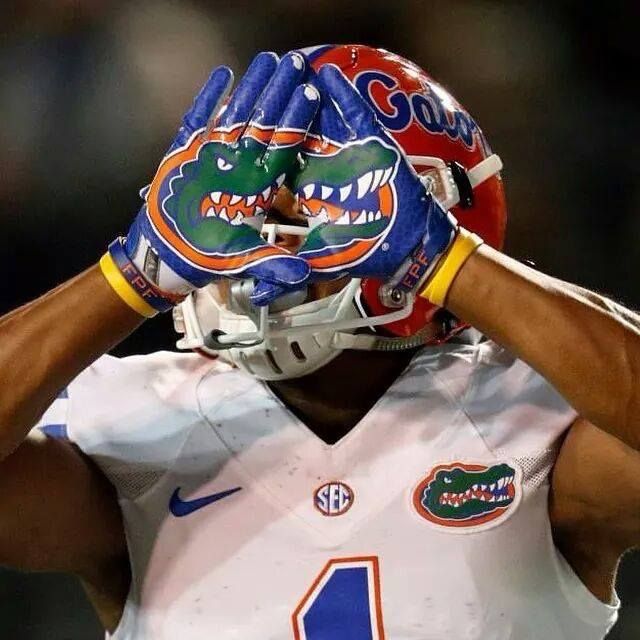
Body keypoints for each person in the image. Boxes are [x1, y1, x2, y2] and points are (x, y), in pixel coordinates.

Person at [0, 43, 638, 640]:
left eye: (297, 218)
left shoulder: (531, 414)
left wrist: (448, 265)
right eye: (243, 210)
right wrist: (129, 275)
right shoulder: (134, 418)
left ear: (429, 213)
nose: (256, 252)